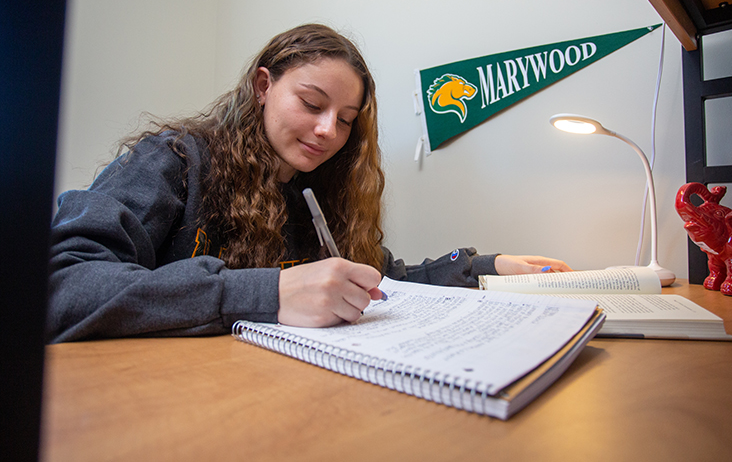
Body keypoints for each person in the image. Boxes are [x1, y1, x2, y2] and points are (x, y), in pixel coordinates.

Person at [47, 23, 571, 343]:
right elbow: (63, 287)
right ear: (263, 86)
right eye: (312, 104)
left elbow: (386, 275)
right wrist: (268, 292)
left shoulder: (312, 194)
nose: (328, 131)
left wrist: (488, 267)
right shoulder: (175, 160)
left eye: (345, 119)